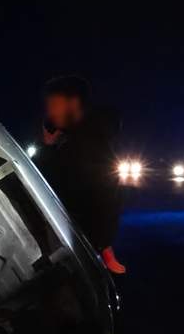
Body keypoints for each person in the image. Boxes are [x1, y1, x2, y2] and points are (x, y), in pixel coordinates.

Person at [35, 76, 126, 274]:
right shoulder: (72, 140)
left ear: (73, 104)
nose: (49, 111)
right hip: (75, 246)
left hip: (75, 250)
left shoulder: (86, 145)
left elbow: (106, 201)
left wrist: (100, 244)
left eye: (54, 104)